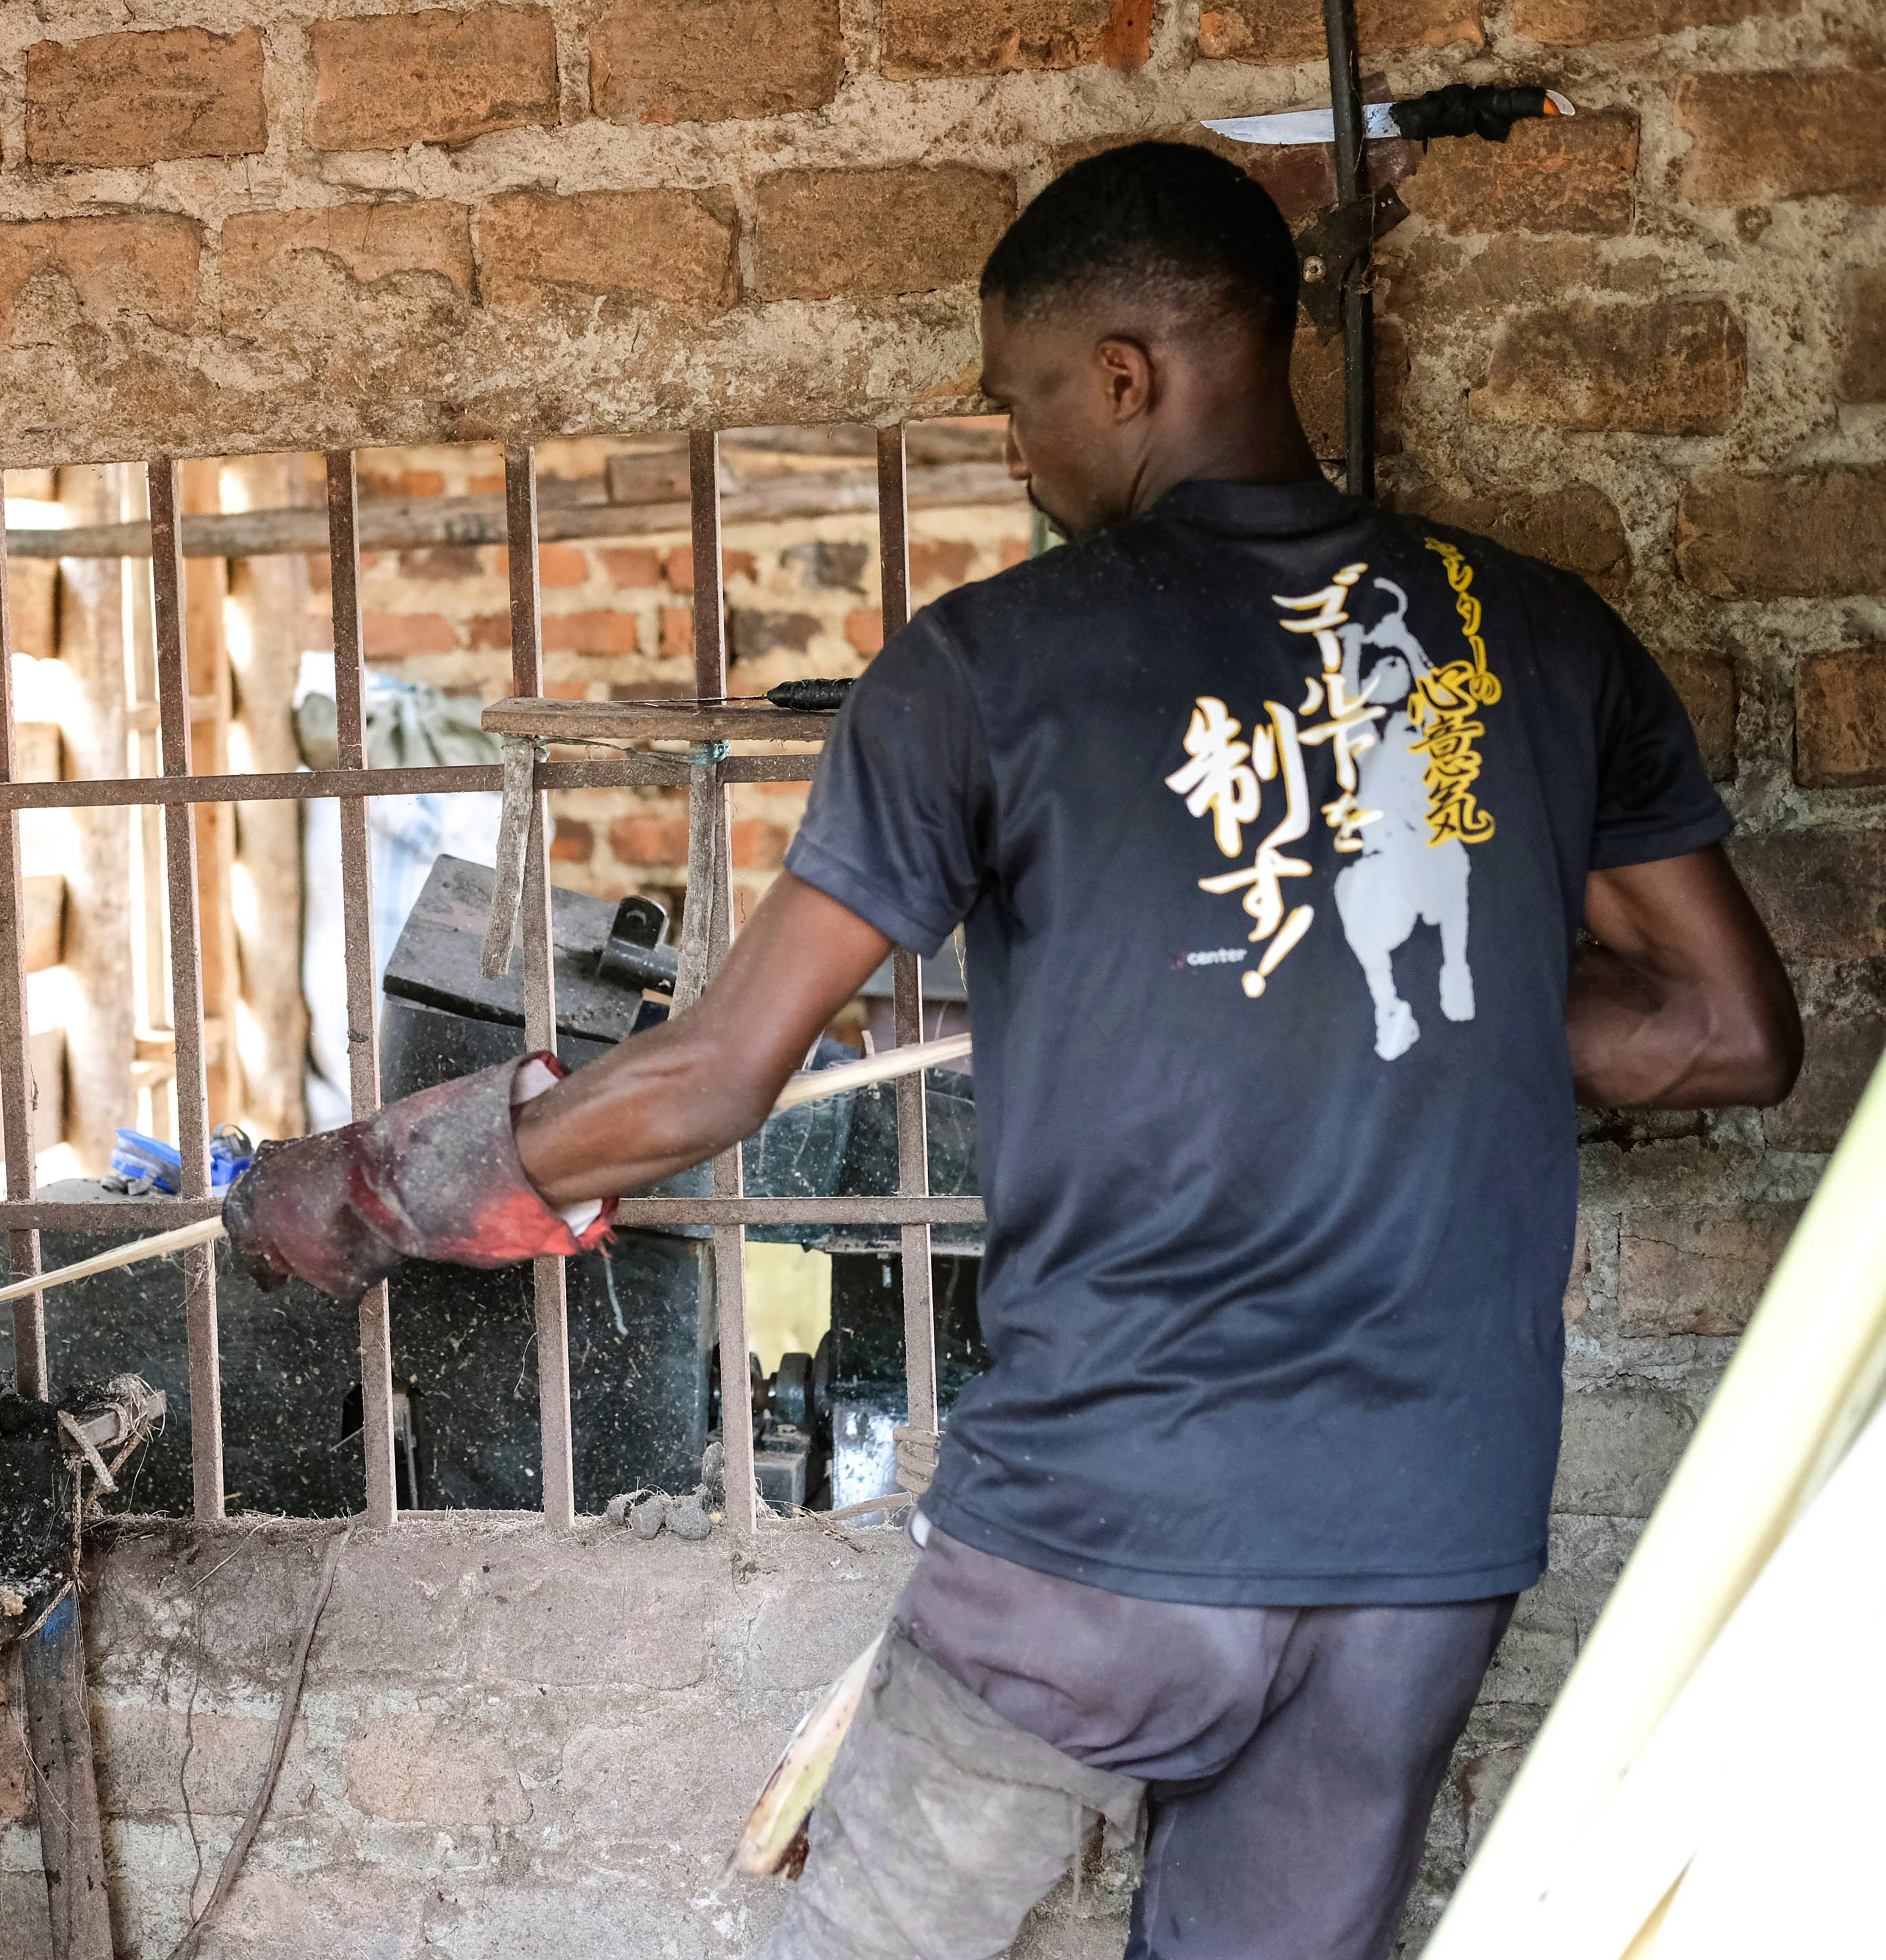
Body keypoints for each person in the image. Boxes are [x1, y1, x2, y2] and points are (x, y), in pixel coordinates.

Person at [222, 141, 1801, 1960]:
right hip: (1423, 1537)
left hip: (1102, 1528)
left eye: (1018, 401)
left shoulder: (982, 667)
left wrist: (364, 1188)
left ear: (1124, 374)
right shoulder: (1532, 633)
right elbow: (1720, 1026)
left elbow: (721, 1071)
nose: (1014, 451)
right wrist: (1407, 995)